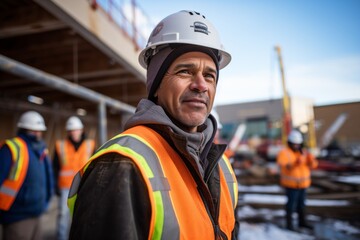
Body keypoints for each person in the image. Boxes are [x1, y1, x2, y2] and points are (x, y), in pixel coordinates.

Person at [68, 10, 239, 239]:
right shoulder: (122, 164)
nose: (201, 85)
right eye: (185, 71)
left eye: (209, 75)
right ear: (156, 85)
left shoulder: (221, 164)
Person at [0, 111, 54, 240]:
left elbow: (48, 176)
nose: (37, 133)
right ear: (23, 129)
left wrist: (46, 200)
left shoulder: (41, 149)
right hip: (16, 216)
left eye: (39, 130)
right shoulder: (12, 148)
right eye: (33, 130)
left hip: (37, 211)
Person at [53, 116, 95, 240]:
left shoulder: (90, 145)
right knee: (63, 216)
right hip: (65, 186)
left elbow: (94, 167)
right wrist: (55, 185)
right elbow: (55, 167)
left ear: (81, 130)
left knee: (84, 214)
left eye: (76, 130)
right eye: (71, 130)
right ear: (68, 131)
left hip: (84, 186)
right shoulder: (60, 146)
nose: (74, 133)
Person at [277, 129, 318, 231]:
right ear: (290, 143)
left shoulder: (304, 153)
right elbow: (284, 165)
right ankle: (289, 225)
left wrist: (311, 160)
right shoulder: (284, 153)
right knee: (290, 206)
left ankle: (302, 223)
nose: (296, 146)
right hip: (291, 185)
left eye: (298, 144)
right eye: (294, 144)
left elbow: (314, 165)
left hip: (303, 184)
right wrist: (296, 163)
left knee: (302, 205)